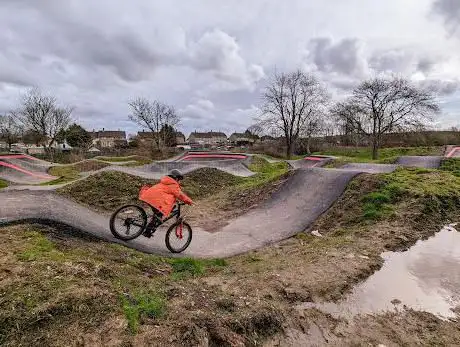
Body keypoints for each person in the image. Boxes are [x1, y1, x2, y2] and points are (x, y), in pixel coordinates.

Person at [138, 169, 193, 237]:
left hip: (148, 196)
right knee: (159, 215)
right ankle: (147, 231)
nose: (179, 181)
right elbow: (179, 195)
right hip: (154, 200)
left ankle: (148, 230)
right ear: (175, 178)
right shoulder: (173, 184)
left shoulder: (165, 182)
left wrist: (176, 200)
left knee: (158, 214)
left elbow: (166, 194)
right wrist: (189, 201)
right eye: (179, 179)